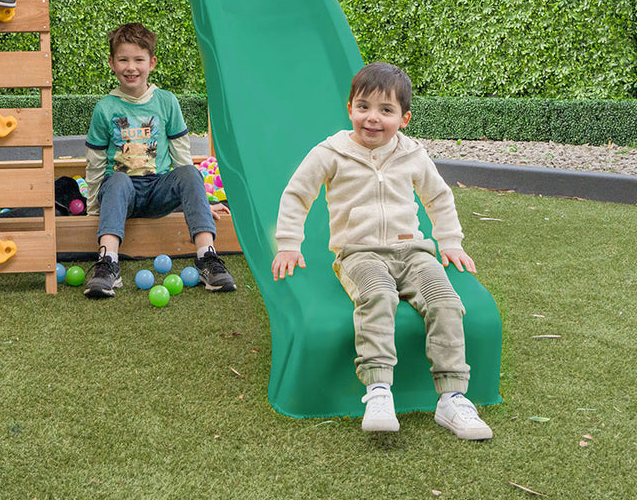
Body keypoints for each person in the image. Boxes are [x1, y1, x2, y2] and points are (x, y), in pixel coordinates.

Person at [271, 62, 493, 440]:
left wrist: (450, 241)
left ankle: (452, 398)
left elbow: (439, 197)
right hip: (360, 253)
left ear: (404, 118)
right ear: (350, 109)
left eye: (386, 111)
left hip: (413, 251)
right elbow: (297, 194)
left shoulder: (412, 154)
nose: (372, 118)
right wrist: (289, 243)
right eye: (364, 107)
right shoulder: (331, 152)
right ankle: (378, 390)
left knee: (446, 302)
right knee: (378, 297)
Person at [83, 22, 235, 298]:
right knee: (116, 179)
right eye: (123, 59)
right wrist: (94, 206)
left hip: (157, 189)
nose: (131, 67)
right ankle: (107, 263)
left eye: (138, 59)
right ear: (111, 63)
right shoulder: (105, 108)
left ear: (151, 63)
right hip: (121, 192)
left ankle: (207, 257)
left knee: (190, 172)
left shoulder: (166, 102)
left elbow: (181, 154)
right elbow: (94, 160)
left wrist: (199, 203)